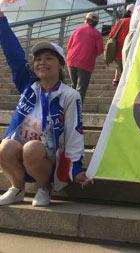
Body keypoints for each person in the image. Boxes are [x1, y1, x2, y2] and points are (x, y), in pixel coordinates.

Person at [0, 11, 89, 207]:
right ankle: (17, 188)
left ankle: (44, 188)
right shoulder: (28, 85)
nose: (42, 62)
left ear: (61, 65)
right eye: (38, 59)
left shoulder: (69, 95)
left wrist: (76, 168)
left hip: (48, 159)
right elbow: (14, 56)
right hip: (20, 154)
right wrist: (2, 22)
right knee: (5, 146)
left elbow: (75, 132)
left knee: (32, 148)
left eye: (49, 58)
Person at [66, 11, 104, 103]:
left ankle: (69, 107)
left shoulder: (77, 30)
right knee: (81, 89)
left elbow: (69, 46)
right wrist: (91, 54)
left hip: (71, 61)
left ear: (86, 20)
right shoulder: (97, 34)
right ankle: (77, 109)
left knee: (73, 86)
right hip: (85, 63)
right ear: (96, 23)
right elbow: (100, 50)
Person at [108, 4, 133, 86]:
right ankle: (123, 82)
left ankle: (116, 79)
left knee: (119, 64)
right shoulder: (136, 22)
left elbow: (111, 35)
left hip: (118, 47)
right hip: (130, 47)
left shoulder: (121, 21)